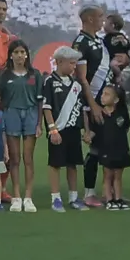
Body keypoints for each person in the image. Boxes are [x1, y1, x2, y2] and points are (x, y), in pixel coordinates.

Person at [0, 38, 44, 211]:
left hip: (30, 114)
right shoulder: (4, 75)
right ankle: (16, 196)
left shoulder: (34, 75)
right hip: (11, 113)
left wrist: (39, 124)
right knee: (14, 159)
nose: (20, 55)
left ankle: (28, 197)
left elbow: (39, 101)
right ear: (10, 55)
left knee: (28, 158)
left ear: (27, 55)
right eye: (16, 52)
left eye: (22, 52)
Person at [42, 47, 88, 212]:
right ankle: (56, 198)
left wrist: (85, 130)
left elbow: (81, 109)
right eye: (71, 63)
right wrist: (52, 129)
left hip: (73, 130)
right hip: (57, 130)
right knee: (55, 164)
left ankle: (74, 197)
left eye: (75, 63)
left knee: (72, 164)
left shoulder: (76, 84)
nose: (74, 67)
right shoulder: (49, 81)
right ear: (59, 62)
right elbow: (46, 107)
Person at [86, 80, 130, 211]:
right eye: (103, 94)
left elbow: (126, 127)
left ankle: (118, 198)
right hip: (106, 149)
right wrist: (89, 136)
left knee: (118, 176)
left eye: (107, 94)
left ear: (116, 99)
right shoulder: (99, 115)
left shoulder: (122, 114)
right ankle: (109, 199)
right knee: (108, 175)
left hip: (121, 149)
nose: (102, 97)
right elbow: (94, 130)